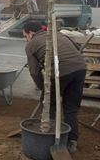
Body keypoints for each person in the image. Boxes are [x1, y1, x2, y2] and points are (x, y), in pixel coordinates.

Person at [22, 21, 87, 153]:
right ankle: (72, 141)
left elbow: (34, 72)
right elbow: (77, 46)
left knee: (49, 105)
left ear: (31, 33)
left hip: (59, 72)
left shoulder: (31, 45)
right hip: (80, 68)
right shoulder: (58, 34)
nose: (26, 39)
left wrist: (43, 89)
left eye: (25, 36)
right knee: (71, 109)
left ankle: (49, 138)